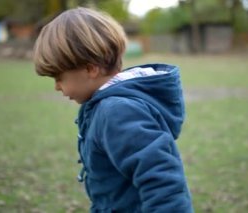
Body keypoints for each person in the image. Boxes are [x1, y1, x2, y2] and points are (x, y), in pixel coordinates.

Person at [33, 7, 193, 212]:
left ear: (90, 69)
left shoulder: (117, 112)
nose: (57, 87)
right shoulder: (106, 105)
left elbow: (162, 182)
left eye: (59, 78)